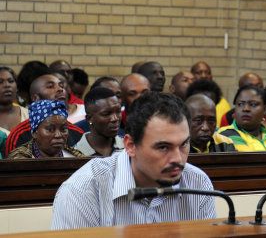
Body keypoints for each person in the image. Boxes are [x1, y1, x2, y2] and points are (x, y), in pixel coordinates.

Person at [50, 92, 217, 229]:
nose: (178, 159)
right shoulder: (83, 191)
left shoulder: (198, 183)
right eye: (163, 147)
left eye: (184, 144)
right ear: (130, 145)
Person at [4, 74, 84, 157]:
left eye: (61, 86)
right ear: (34, 132)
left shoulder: (76, 133)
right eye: (50, 86)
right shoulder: (18, 135)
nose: (60, 89)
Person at [214, 85, 266, 151]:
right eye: (240, 104)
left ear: (265, 110)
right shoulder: (224, 135)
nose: (245, 109)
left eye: (253, 104)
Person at [7, 100, 84, 159]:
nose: (58, 135)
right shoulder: (18, 160)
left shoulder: (77, 158)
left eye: (63, 129)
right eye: (50, 129)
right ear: (34, 133)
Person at [73, 88, 123, 156]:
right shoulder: (75, 155)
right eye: (106, 114)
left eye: (118, 111)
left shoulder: (129, 148)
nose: (115, 118)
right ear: (89, 119)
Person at [0, 67, 29, 159]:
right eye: (0, 82)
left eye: (11, 81)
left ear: (16, 87)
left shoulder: (29, 114)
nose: (7, 85)